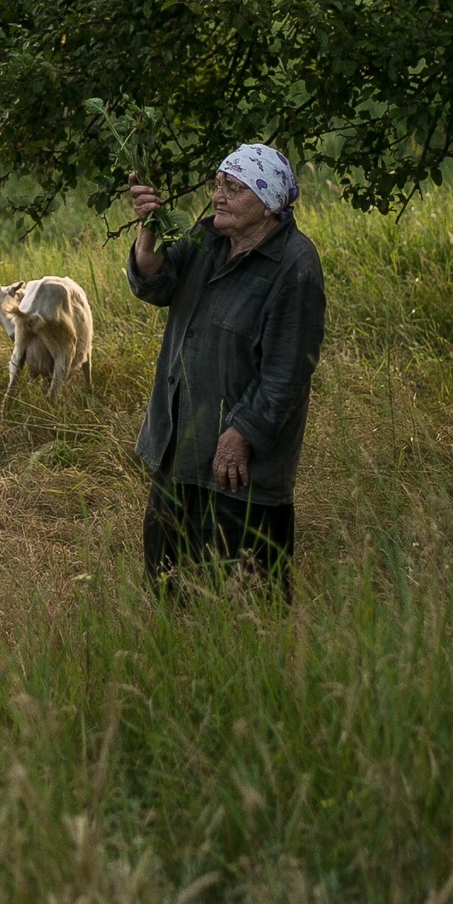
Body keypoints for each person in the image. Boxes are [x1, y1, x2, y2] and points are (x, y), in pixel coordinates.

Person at [126, 143, 325, 598]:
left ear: (269, 202)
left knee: (247, 598)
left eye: (233, 189)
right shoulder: (206, 237)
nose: (218, 196)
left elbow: (288, 372)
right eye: (218, 184)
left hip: (240, 473)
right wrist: (148, 231)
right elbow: (154, 284)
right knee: (167, 586)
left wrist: (240, 436)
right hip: (181, 449)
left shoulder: (294, 265)